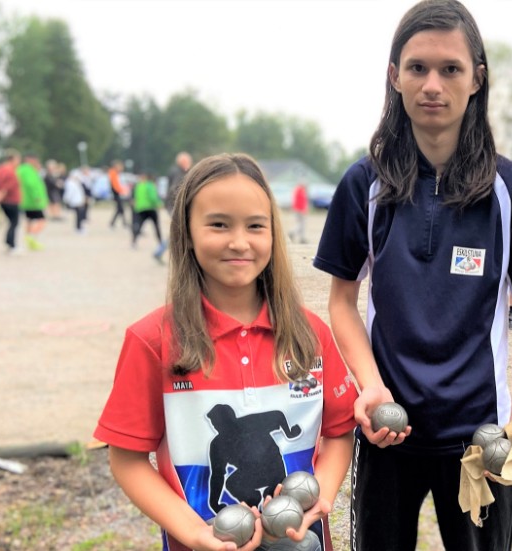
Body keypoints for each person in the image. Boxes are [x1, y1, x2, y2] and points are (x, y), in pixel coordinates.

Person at [313, 2, 512, 549]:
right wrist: (371, 386)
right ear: (394, 76)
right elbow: (341, 301)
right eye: (417, 67)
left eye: (450, 68)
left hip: (478, 441)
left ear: (477, 78)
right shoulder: (365, 185)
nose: (432, 84)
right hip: (387, 433)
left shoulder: (510, 191)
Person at [94, 153, 358, 551]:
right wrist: (196, 532)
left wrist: (321, 495)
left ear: (273, 233)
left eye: (255, 226)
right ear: (187, 231)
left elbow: (340, 434)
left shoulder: (310, 335)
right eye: (218, 224)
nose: (239, 242)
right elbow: (127, 460)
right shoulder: (152, 340)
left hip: (298, 539)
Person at [0, 149, 23, 254]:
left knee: (11, 222)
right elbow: (7, 188)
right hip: (11, 201)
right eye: (18, 160)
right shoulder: (11, 172)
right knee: (14, 222)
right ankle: (11, 244)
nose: (19, 163)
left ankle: (9, 242)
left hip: (3, 202)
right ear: (12, 160)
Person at [130, 171, 167, 263]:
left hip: (140, 208)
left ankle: (134, 241)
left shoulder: (139, 185)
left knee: (140, 224)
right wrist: (159, 204)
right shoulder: (150, 185)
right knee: (156, 225)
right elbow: (152, 197)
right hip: (150, 208)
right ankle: (160, 242)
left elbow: (135, 196)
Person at [16, 155, 49, 251]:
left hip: (26, 200)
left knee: (30, 220)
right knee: (42, 221)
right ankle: (30, 237)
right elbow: (31, 185)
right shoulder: (28, 170)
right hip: (32, 202)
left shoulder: (23, 170)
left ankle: (30, 239)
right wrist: (37, 197)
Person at [63, 164, 88, 234]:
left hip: (79, 201)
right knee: (78, 215)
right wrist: (66, 200)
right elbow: (69, 193)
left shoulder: (76, 182)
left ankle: (79, 227)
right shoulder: (70, 183)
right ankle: (78, 228)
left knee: (79, 215)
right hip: (75, 201)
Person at [165, 151, 192, 215]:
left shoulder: (187, 171)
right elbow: (175, 188)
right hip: (176, 203)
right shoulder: (177, 172)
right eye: (186, 162)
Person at [108, 160, 129, 229]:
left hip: (117, 192)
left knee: (120, 209)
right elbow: (115, 185)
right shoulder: (113, 173)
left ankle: (121, 223)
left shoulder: (115, 173)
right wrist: (122, 191)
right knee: (120, 208)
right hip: (116, 193)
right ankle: (121, 223)